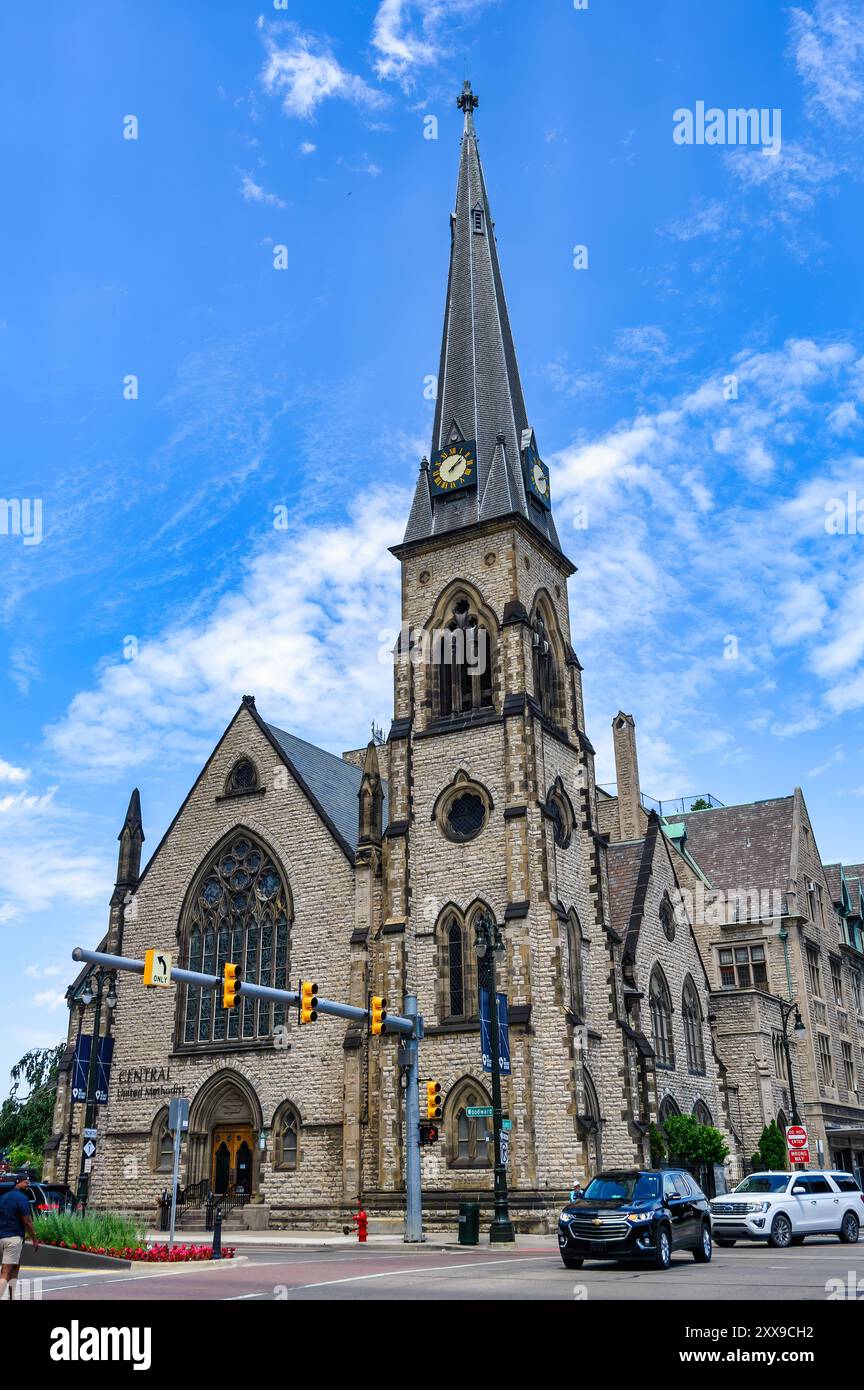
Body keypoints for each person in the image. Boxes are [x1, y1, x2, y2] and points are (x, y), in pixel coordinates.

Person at [0, 1174, 39, 1301]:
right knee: (6, 1271)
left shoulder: (3, 1197)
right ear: (18, 1183)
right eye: (25, 1183)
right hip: (13, 1238)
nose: (27, 1185)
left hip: (2, 1236)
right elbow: (27, 1221)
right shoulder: (22, 1198)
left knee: (15, 1267)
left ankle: (12, 1297)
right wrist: (34, 1238)